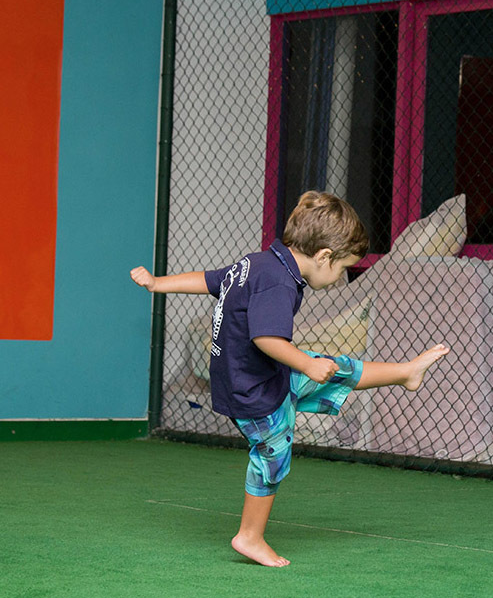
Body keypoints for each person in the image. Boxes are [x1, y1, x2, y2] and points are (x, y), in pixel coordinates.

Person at [131, 191, 450, 566]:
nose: (339, 278)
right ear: (323, 256)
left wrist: (158, 283)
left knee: (334, 368)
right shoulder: (279, 283)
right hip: (250, 388)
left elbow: (210, 280)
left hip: (257, 374)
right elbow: (265, 338)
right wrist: (305, 364)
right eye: (342, 268)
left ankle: (405, 372)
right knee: (273, 451)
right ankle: (249, 537)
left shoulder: (258, 264)